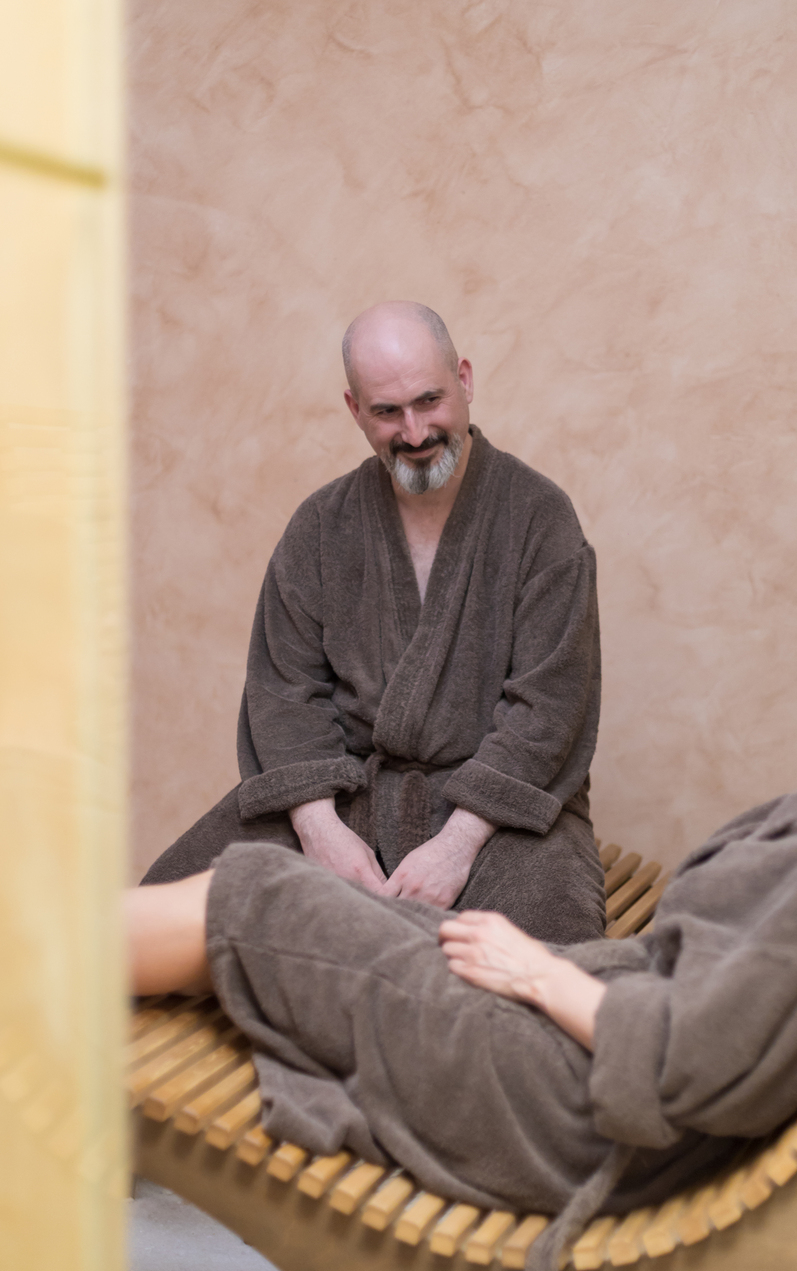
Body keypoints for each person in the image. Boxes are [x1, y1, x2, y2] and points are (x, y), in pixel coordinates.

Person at [127, 527, 797, 1271]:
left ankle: (31, 968)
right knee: (325, 900)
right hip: (584, 1065)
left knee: (255, 893)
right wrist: (547, 964)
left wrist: (540, 975)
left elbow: (692, 1062)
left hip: (566, 1110)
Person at [141, 301, 605, 943]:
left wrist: (456, 846)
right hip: (344, 794)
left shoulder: (540, 519)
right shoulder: (321, 526)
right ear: (354, 409)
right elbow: (284, 692)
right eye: (388, 411)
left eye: (429, 401)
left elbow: (548, 709)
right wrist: (319, 830)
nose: (414, 433)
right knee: (149, 925)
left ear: (465, 381)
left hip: (498, 814)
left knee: (540, 960)